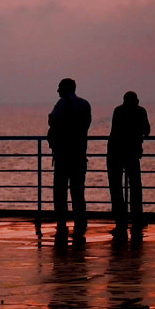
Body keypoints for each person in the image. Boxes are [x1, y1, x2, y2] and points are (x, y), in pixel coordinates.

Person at [48, 78, 91, 238]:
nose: (57, 91)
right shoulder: (85, 104)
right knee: (78, 192)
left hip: (63, 155)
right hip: (79, 154)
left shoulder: (62, 104)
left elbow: (52, 120)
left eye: (59, 88)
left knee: (60, 192)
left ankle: (61, 222)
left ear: (65, 89)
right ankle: (80, 221)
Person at [107, 91, 150, 237]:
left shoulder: (118, 111)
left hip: (115, 152)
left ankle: (120, 221)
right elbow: (147, 130)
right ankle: (137, 219)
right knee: (135, 187)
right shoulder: (140, 112)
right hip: (132, 153)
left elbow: (114, 131)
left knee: (116, 188)